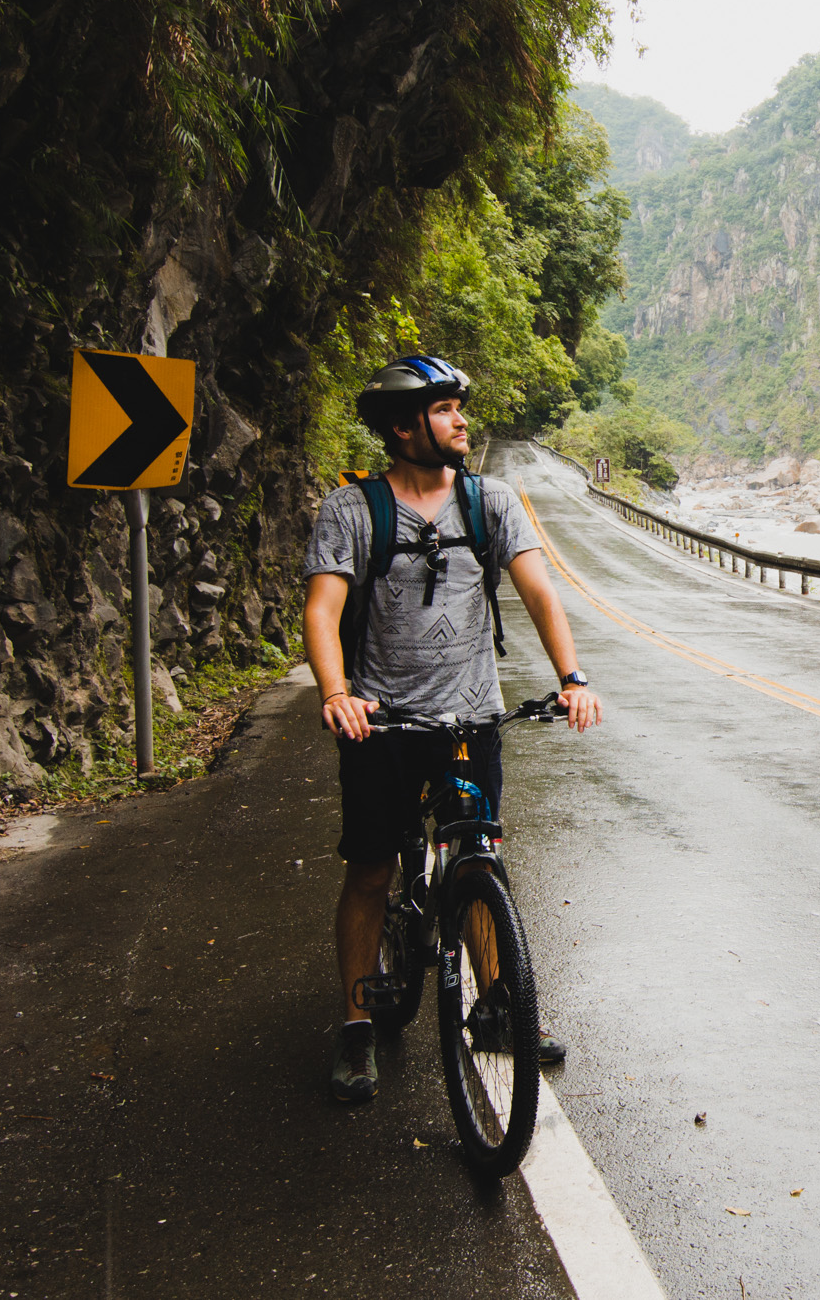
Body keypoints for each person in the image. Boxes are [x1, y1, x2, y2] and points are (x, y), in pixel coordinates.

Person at [302, 355, 602, 1103]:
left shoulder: (489, 501)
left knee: (477, 858)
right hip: (381, 722)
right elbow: (323, 609)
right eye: (445, 410)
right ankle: (356, 1024)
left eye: (460, 408)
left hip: (470, 717)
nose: (462, 420)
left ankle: (499, 1007)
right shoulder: (352, 510)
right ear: (404, 427)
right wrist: (337, 692)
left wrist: (572, 679)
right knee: (371, 869)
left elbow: (539, 589)